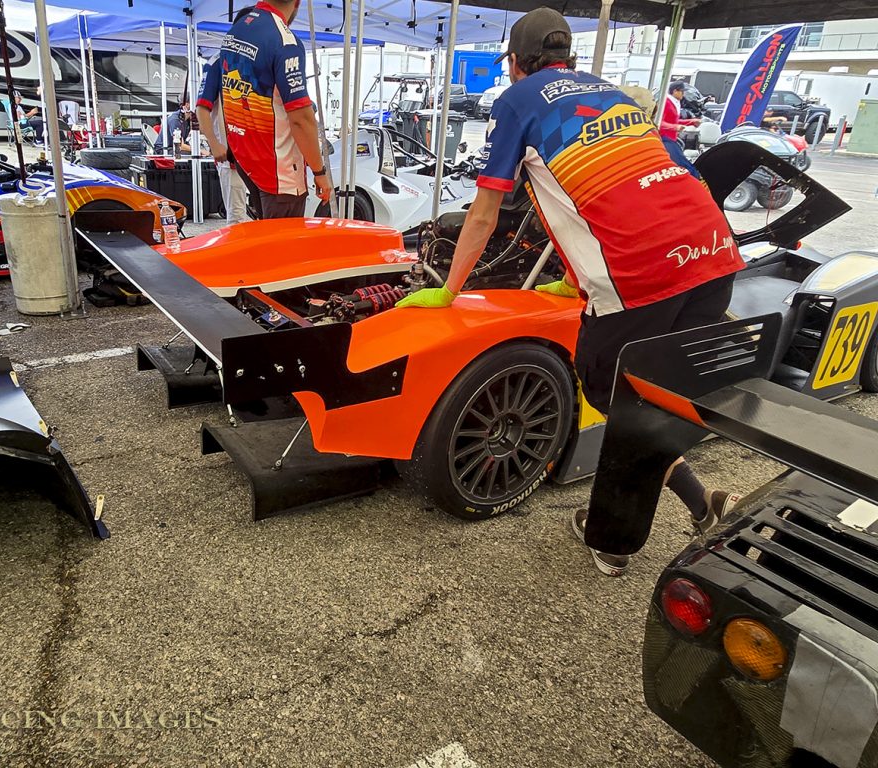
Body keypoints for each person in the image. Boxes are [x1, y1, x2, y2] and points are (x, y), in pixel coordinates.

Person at [395, 8, 744, 577]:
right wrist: (579, 276)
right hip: (713, 253)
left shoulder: (519, 99)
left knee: (620, 399)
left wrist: (448, 291)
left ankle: (612, 540)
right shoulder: (615, 95)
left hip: (643, 274)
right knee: (656, 398)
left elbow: (485, 213)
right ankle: (703, 502)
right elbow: (647, 183)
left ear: (514, 62)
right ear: (569, 57)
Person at [213, 0, 331, 218]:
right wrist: (319, 171)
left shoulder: (236, 31)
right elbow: (301, 119)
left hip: (247, 159)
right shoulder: (285, 41)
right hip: (279, 172)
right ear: (297, 2)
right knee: (284, 248)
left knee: (267, 238)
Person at [197, 55, 250, 224]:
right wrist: (214, 144)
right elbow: (202, 108)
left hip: (258, 155)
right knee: (236, 217)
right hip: (231, 155)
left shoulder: (260, 54)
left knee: (259, 216)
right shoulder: (218, 61)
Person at [659, 81, 701, 169]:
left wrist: (691, 122)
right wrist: (675, 127)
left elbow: (673, 120)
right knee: (681, 163)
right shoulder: (666, 102)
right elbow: (659, 122)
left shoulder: (675, 103)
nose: (683, 94)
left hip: (671, 138)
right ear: (675, 91)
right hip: (665, 139)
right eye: (682, 91)